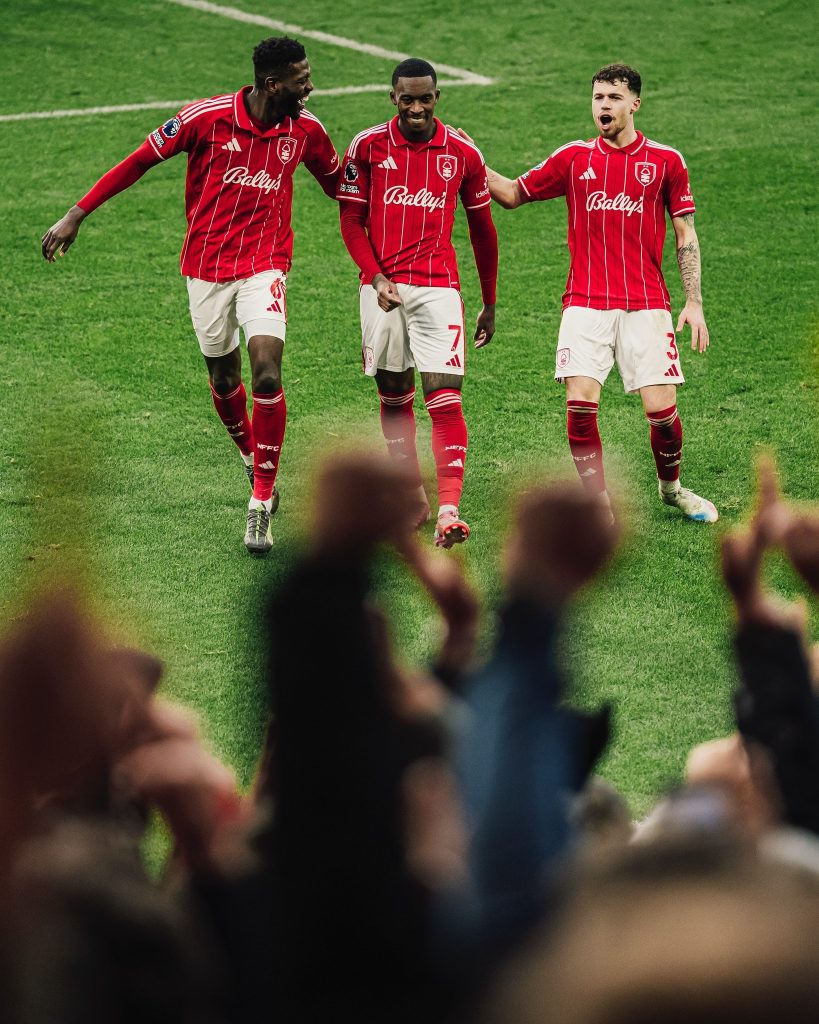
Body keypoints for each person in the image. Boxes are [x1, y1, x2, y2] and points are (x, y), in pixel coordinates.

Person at [41, 37, 340, 555]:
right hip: (205, 269)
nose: (309, 86)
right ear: (273, 84)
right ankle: (252, 455)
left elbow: (339, 184)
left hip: (265, 266)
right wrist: (76, 213)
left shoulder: (307, 130)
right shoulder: (205, 119)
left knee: (267, 371)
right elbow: (137, 162)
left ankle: (260, 502)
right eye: (301, 78)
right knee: (224, 378)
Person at [471, 63, 717, 523]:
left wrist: (695, 301)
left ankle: (672, 489)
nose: (603, 106)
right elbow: (510, 194)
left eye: (613, 98)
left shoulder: (666, 162)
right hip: (584, 302)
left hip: (647, 303)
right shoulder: (574, 159)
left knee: (661, 414)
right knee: (580, 407)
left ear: (634, 104)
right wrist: (471, 159)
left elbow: (685, 233)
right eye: (598, 98)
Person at [337, 58, 498, 548]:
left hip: (440, 290)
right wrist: (376, 276)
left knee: (445, 399)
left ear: (437, 96)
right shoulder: (366, 147)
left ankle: (449, 510)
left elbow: (482, 231)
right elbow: (351, 221)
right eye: (406, 98)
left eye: (424, 98)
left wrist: (489, 301)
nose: (415, 107)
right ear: (393, 98)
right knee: (393, 396)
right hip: (382, 292)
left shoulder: (463, 154)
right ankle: (411, 495)